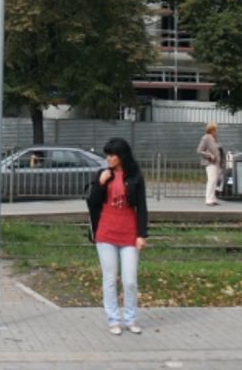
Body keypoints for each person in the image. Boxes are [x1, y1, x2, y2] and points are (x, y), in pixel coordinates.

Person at [86, 137, 148, 336]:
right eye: (107, 155)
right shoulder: (103, 175)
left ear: (121, 156)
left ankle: (130, 319)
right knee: (110, 279)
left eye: (111, 155)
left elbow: (142, 207)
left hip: (129, 233)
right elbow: (92, 203)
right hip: (106, 233)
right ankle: (113, 319)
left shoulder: (135, 176)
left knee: (130, 280)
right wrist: (100, 184)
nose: (108, 158)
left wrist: (141, 234)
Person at [197, 123, 222, 206]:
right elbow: (199, 150)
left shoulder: (214, 139)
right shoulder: (206, 138)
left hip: (216, 163)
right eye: (215, 130)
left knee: (214, 181)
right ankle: (208, 200)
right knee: (211, 181)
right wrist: (209, 155)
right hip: (210, 162)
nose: (216, 131)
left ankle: (213, 198)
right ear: (211, 130)